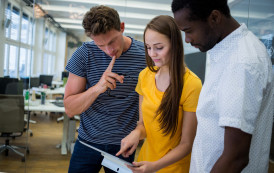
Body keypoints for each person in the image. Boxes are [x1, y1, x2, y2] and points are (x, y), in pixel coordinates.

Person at [171, 0, 274, 172]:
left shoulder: (241, 62)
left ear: (214, 17)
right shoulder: (228, 52)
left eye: (189, 31)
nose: (187, 40)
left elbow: (235, 157)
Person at [64, 5, 146, 173]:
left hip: (123, 147)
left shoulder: (145, 56)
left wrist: (140, 130)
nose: (109, 51)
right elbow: (70, 109)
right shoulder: (84, 54)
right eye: (100, 45)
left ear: (122, 27)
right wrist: (97, 88)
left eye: (112, 41)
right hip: (87, 144)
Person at [116, 15, 202, 173]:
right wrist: (136, 134)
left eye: (159, 47)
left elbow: (187, 144)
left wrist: (155, 166)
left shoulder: (192, 84)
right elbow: (143, 125)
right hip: (145, 162)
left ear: (175, 45)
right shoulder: (145, 76)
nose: (152, 54)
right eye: (148, 47)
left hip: (173, 168)